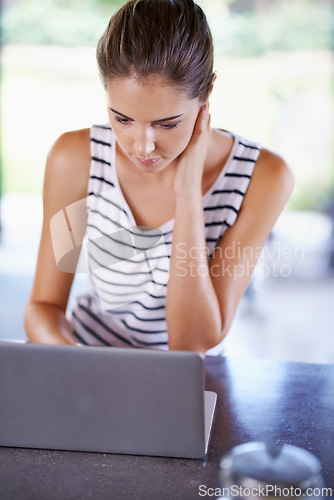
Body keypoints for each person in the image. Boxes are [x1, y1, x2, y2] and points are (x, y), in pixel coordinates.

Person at [24, 0, 294, 355]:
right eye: (122, 119)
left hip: (189, 380)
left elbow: (192, 342)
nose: (143, 146)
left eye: (167, 124)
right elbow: (43, 307)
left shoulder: (263, 177)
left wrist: (187, 193)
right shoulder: (77, 158)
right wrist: (81, 366)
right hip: (87, 359)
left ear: (207, 93)